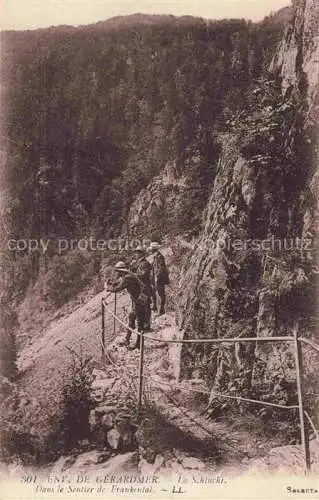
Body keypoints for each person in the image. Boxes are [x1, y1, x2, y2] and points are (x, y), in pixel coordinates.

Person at [105, 261, 148, 350]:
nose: (116, 272)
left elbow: (118, 288)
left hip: (139, 301)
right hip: (139, 300)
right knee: (131, 317)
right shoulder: (129, 275)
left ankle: (138, 344)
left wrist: (108, 288)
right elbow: (120, 283)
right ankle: (128, 339)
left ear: (121, 271)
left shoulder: (127, 278)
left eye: (117, 271)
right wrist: (112, 283)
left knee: (140, 323)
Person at [131, 248, 152, 331]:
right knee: (139, 306)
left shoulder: (145, 263)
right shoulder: (138, 263)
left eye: (136, 253)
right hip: (140, 288)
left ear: (141, 254)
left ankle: (146, 325)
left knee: (146, 306)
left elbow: (144, 275)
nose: (135, 255)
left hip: (145, 288)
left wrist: (133, 275)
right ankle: (142, 324)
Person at [148, 242, 169, 315]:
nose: (150, 251)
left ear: (153, 250)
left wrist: (157, 277)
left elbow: (161, 268)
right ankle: (155, 306)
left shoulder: (160, 256)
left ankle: (161, 310)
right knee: (153, 292)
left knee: (160, 294)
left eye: (151, 250)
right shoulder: (155, 256)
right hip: (154, 278)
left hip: (159, 279)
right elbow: (152, 265)